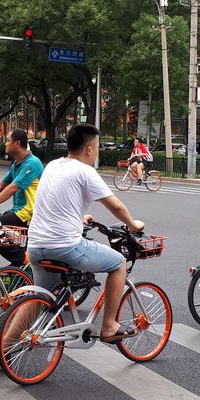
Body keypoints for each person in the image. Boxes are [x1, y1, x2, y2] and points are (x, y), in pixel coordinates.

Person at [25, 123, 146, 343]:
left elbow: (52, 202)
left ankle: (6, 344)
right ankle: (109, 326)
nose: (97, 151)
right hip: (65, 246)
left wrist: (79, 218)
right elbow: (115, 206)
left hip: (35, 245)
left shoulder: (52, 165)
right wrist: (133, 224)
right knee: (118, 263)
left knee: (39, 298)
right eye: (97, 147)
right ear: (89, 149)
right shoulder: (85, 171)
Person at [0, 128, 44, 228]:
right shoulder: (16, 163)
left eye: (8, 140)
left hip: (27, 214)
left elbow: (13, 188)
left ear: (17, 143)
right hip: (18, 211)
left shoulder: (32, 163)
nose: (5, 144)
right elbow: (1, 185)